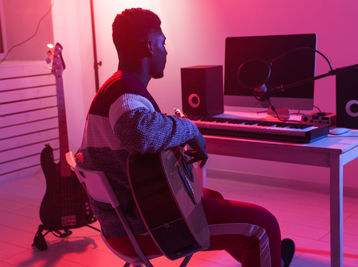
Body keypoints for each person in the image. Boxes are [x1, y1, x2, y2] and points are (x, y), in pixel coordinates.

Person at [77, 8, 295, 267]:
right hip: (147, 228)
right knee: (264, 224)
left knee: (212, 197)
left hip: (123, 224)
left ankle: (267, 258)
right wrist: (189, 128)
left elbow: (139, 151)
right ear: (149, 46)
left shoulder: (113, 87)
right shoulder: (126, 91)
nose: (166, 51)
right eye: (163, 43)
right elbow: (137, 132)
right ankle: (268, 254)